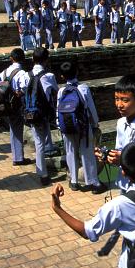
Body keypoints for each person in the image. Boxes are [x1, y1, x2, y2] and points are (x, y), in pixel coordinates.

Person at [13, 47, 57, 186]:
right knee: (40, 142)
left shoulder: (26, 75)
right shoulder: (48, 76)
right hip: (44, 113)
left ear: (33, 59)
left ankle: (43, 170)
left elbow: (19, 90)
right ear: (46, 60)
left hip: (30, 112)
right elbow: (54, 91)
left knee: (39, 141)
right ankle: (43, 174)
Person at [57, 61, 103, 192]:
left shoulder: (61, 91)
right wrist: (95, 123)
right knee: (87, 152)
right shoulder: (83, 88)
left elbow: (58, 110)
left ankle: (74, 181)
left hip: (67, 127)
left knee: (71, 152)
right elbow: (91, 108)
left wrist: (61, 127)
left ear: (62, 76)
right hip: (83, 126)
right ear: (76, 72)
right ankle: (93, 183)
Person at [0, 48, 30, 167]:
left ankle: (17, 155)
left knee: (13, 129)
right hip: (17, 104)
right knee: (17, 130)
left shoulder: (6, 71)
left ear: (11, 59)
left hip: (7, 104)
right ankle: (18, 158)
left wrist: (4, 90)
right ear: (23, 59)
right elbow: (25, 88)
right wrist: (16, 92)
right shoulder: (22, 73)